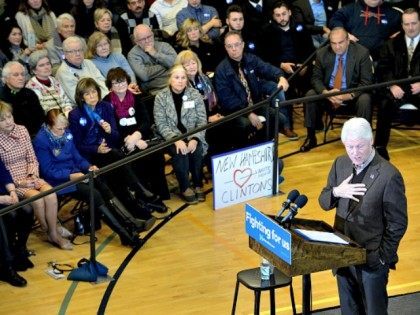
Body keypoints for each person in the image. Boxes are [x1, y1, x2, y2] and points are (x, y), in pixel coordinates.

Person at [319, 117, 408, 315]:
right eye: (349, 147)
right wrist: (336, 192)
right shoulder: (340, 164)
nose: (354, 153)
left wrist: (382, 258)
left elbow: (398, 223)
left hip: (372, 260)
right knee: (349, 311)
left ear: (371, 141)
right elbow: (324, 202)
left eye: (360, 146)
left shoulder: (389, 175)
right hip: (342, 257)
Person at [33, 109, 146, 246]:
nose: (63, 131)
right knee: (94, 194)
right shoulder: (41, 140)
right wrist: (70, 176)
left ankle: (129, 221)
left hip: (75, 173)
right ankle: (124, 233)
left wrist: (88, 166)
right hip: (59, 181)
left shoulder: (67, 133)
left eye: (64, 128)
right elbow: (47, 170)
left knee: (101, 183)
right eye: (59, 129)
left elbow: (76, 156)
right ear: (49, 126)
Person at [68, 77, 158, 224]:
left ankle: (138, 211)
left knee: (117, 168)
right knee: (115, 167)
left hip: (108, 151)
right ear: (81, 97)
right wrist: (96, 148)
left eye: (94, 92)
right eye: (87, 94)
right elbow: (77, 144)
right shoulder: (75, 115)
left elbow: (116, 136)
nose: (92, 96)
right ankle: (137, 195)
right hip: (89, 156)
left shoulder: (106, 107)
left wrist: (109, 131)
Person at [0, 101, 72, 250]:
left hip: (30, 173)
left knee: (50, 194)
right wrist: (20, 182)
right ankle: (50, 232)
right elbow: (2, 171)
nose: (8, 121)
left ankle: (52, 232)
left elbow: (32, 157)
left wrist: (32, 174)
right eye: (2, 119)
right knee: (38, 200)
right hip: (14, 180)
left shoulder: (22, 130)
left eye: (9, 116)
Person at [214, 31, 296, 147]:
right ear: (225, 48)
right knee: (246, 124)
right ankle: (251, 150)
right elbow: (227, 100)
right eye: (229, 46)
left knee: (279, 118)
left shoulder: (251, 59)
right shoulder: (221, 70)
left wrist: (280, 76)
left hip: (255, 105)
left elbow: (267, 68)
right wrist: (248, 113)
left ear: (243, 45)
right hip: (236, 111)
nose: (234, 49)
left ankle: (264, 146)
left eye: (237, 45)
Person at [300, 27, 373, 152]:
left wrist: (346, 96)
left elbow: (366, 82)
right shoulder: (322, 53)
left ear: (348, 41)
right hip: (329, 94)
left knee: (365, 99)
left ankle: (362, 141)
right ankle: (311, 137)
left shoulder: (362, 53)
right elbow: (316, 79)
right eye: (333, 43)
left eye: (340, 43)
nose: (337, 47)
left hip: (351, 96)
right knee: (310, 95)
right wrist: (326, 93)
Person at [103, 67, 170, 201]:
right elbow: (113, 128)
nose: (120, 85)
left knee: (156, 155)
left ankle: (160, 194)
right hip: (122, 141)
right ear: (110, 86)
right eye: (116, 83)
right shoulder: (106, 102)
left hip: (140, 137)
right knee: (137, 159)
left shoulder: (136, 97)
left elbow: (146, 121)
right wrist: (130, 140)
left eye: (122, 81)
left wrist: (137, 136)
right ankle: (145, 196)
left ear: (127, 82)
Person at [154, 65, 207, 204]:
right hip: (170, 137)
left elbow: (202, 120)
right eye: (176, 77)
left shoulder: (194, 94)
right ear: (170, 79)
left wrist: (195, 138)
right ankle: (184, 187)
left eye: (183, 77)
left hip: (192, 134)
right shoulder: (161, 97)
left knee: (197, 148)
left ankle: (197, 184)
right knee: (180, 151)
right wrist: (176, 140)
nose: (180, 81)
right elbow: (161, 124)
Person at [375, 8, 420, 161]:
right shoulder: (391, 44)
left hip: (419, 90)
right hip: (398, 90)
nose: (411, 27)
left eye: (414, 23)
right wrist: (392, 85)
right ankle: (380, 147)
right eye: (407, 24)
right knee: (384, 102)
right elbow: (383, 69)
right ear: (402, 25)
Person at [329, 0, 401, 61]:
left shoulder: (393, 13)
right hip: (354, 59)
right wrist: (344, 34)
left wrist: (400, 34)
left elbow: (408, 25)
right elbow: (334, 20)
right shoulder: (351, 9)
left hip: (382, 61)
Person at [0, 158, 32, 287]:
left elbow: (3, 173)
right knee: (5, 218)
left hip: (3, 194)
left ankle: (18, 250)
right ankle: (6, 267)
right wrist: (2, 199)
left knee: (27, 210)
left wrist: (12, 192)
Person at [55, 36, 108, 104]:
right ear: (65, 54)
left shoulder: (88, 63)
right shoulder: (63, 72)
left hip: (102, 100)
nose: (78, 54)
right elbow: (76, 98)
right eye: (73, 51)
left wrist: (107, 97)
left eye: (80, 50)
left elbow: (102, 82)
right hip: (83, 107)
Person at [128, 24, 177, 95]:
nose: (147, 41)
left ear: (152, 34)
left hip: (176, 83)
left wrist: (155, 53)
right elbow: (144, 76)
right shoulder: (133, 55)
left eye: (149, 36)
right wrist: (167, 65)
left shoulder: (164, 45)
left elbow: (176, 62)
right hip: (155, 90)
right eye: (143, 39)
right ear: (136, 41)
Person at [0, 61, 44, 137]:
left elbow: (40, 116)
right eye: (16, 75)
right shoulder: (2, 99)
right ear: (6, 79)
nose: (21, 78)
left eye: (22, 74)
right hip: (16, 137)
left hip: (39, 133)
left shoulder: (29, 93)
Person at [26, 50, 74, 116]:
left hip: (65, 116)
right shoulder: (31, 87)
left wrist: (68, 114)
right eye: (41, 65)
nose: (46, 67)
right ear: (34, 71)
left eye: (48, 63)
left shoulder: (54, 80)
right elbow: (43, 109)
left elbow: (66, 100)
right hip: (50, 120)